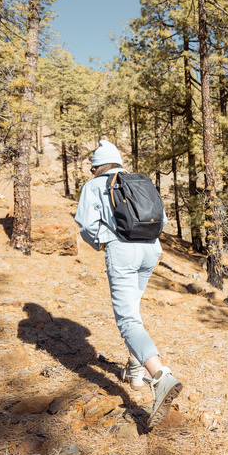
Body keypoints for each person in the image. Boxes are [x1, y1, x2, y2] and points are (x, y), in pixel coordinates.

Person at [74, 140, 182, 429]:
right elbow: (164, 219)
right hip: (151, 249)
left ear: (97, 165)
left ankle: (160, 376)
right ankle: (135, 371)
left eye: (92, 166)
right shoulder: (138, 181)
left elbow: (85, 224)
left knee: (127, 320)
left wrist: (101, 242)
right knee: (133, 310)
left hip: (122, 251)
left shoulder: (94, 185)